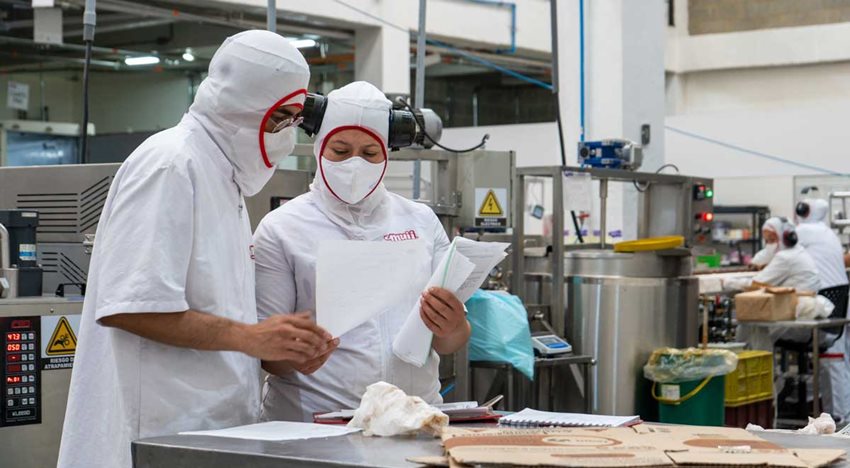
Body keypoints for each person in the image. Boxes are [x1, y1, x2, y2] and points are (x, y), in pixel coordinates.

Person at [57, 31, 334, 468]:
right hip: (153, 434)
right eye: (280, 118)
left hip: (207, 432)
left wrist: (278, 350)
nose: (285, 135)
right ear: (242, 105)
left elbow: (211, 310)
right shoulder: (171, 164)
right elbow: (129, 305)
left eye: (294, 121)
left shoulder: (224, 178)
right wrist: (250, 337)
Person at [253, 81, 471, 422]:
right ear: (320, 148)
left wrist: (452, 324)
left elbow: (450, 341)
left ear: (387, 153)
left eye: (370, 154)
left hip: (412, 418)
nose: (355, 164)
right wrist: (296, 354)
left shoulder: (421, 220)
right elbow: (266, 352)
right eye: (340, 151)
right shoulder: (282, 227)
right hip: (314, 421)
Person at [796, 198, 850, 423]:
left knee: (832, 359)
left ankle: (838, 417)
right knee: (842, 359)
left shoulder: (804, 231)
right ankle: (842, 414)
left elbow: (779, 247)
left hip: (826, 305)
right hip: (840, 302)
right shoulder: (828, 233)